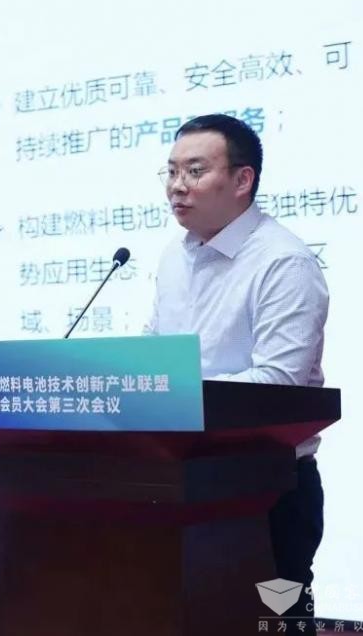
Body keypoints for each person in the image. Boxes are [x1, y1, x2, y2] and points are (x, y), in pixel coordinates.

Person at [144, 114, 328, 634]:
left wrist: (179, 394)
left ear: (243, 179)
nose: (177, 186)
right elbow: (156, 356)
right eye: (171, 171)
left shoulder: (283, 262)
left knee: (272, 623)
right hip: (178, 482)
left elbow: (281, 386)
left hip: (264, 491)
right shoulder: (176, 257)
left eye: (195, 170)